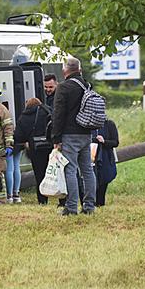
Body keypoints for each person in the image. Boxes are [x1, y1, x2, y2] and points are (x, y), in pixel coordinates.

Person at [51, 56, 97, 216]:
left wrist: (56, 138)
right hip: (86, 133)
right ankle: (89, 206)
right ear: (80, 69)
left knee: (70, 170)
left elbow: (58, 114)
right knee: (87, 170)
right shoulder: (87, 85)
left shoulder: (63, 87)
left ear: (65, 70)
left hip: (69, 135)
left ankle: (71, 207)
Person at [14, 97, 52, 205]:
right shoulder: (47, 112)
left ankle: (42, 200)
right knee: (55, 173)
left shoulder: (24, 117)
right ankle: (62, 199)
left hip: (35, 150)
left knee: (39, 175)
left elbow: (19, 136)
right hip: (50, 147)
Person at [92, 117, 120, 207]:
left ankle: (100, 203)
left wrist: (104, 141)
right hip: (90, 157)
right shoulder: (87, 124)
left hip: (105, 157)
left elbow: (115, 142)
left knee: (104, 180)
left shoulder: (109, 124)